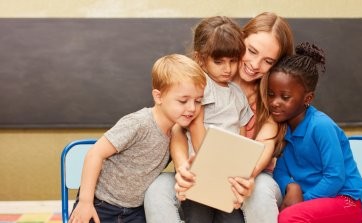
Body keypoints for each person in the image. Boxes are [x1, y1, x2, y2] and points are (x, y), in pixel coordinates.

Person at [167, 12, 294, 223]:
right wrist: (184, 167)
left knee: (251, 198)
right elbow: (179, 129)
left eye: (268, 61)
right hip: (199, 168)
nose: (254, 64)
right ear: (238, 40)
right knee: (159, 191)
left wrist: (244, 175)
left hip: (241, 176)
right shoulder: (201, 84)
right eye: (251, 51)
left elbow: (259, 146)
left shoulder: (270, 99)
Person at [68, 54, 206, 223]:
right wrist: (85, 202)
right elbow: (94, 154)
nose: (192, 108)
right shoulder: (138, 123)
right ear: (158, 96)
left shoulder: (177, 134)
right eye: (183, 101)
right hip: (101, 204)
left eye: (198, 101)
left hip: (135, 212)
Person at [145, 15, 252, 223]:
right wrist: (211, 166)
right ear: (201, 59)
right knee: (198, 218)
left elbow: (241, 130)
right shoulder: (202, 87)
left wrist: (237, 166)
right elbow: (196, 131)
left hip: (226, 175)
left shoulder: (237, 93)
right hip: (201, 172)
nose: (227, 69)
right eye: (218, 62)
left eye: (233, 61)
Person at [260, 42, 362, 222]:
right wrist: (292, 186)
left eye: (285, 97)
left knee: (289, 216)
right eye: (271, 94)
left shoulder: (321, 126)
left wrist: (302, 200)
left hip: (348, 201)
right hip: (316, 200)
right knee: (278, 213)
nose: (274, 102)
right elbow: (280, 171)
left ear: (307, 98)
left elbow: (335, 177)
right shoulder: (283, 127)